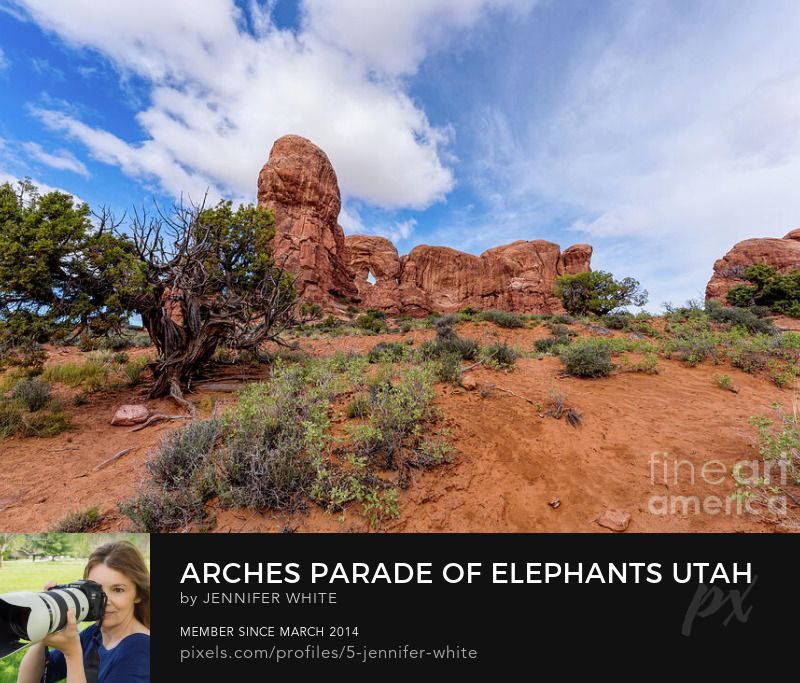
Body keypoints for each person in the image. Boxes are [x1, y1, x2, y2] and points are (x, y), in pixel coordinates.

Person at [17, 541, 150, 683]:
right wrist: (47, 623)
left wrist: (72, 654)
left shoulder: (141, 649)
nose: (104, 601)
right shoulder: (94, 635)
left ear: (138, 594)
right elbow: (29, 680)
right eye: (96, 590)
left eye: (118, 590)